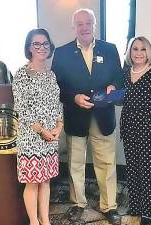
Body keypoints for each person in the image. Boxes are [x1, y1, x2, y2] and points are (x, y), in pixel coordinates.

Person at [51, 8, 123, 225]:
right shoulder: (62, 52)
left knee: (106, 162)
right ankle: (77, 203)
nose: (84, 27)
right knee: (75, 163)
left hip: (103, 115)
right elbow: (58, 86)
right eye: (79, 23)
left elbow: (119, 79)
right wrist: (73, 98)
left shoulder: (109, 49)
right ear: (74, 27)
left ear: (94, 25)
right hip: (75, 115)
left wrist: (113, 86)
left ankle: (109, 205)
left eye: (88, 23)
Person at [12, 28, 63, 225]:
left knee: (46, 181)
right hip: (32, 138)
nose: (42, 47)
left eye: (45, 43)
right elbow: (21, 109)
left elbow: (56, 103)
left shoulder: (50, 75)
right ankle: (34, 222)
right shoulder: (22, 74)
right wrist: (42, 131)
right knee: (32, 182)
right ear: (29, 48)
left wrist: (59, 126)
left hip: (51, 137)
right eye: (37, 44)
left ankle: (45, 220)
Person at [120, 36, 151, 225]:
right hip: (130, 130)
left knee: (150, 171)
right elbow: (121, 97)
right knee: (134, 169)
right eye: (135, 49)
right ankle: (137, 206)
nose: (139, 53)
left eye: (143, 49)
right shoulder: (126, 74)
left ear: (148, 52)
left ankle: (150, 211)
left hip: (150, 131)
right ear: (130, 52)